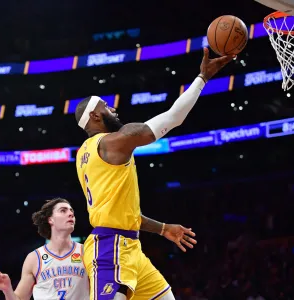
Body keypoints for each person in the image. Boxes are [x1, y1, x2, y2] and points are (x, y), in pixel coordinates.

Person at [74, 48, 234, 300]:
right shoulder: (113, 142)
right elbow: (173, 118)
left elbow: (121, 212)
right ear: (95, 116)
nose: (113, 108)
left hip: (130, 247)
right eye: (105, 105)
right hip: (110, 248)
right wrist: (202, 78)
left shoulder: (84, 153)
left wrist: (161, 229)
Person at [0, 198, 89, 300]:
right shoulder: (34, 258)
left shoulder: (87, 251)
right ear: (51, 220)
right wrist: (7, 289)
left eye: (71, 211)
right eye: (63, 211)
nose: (70, 214)